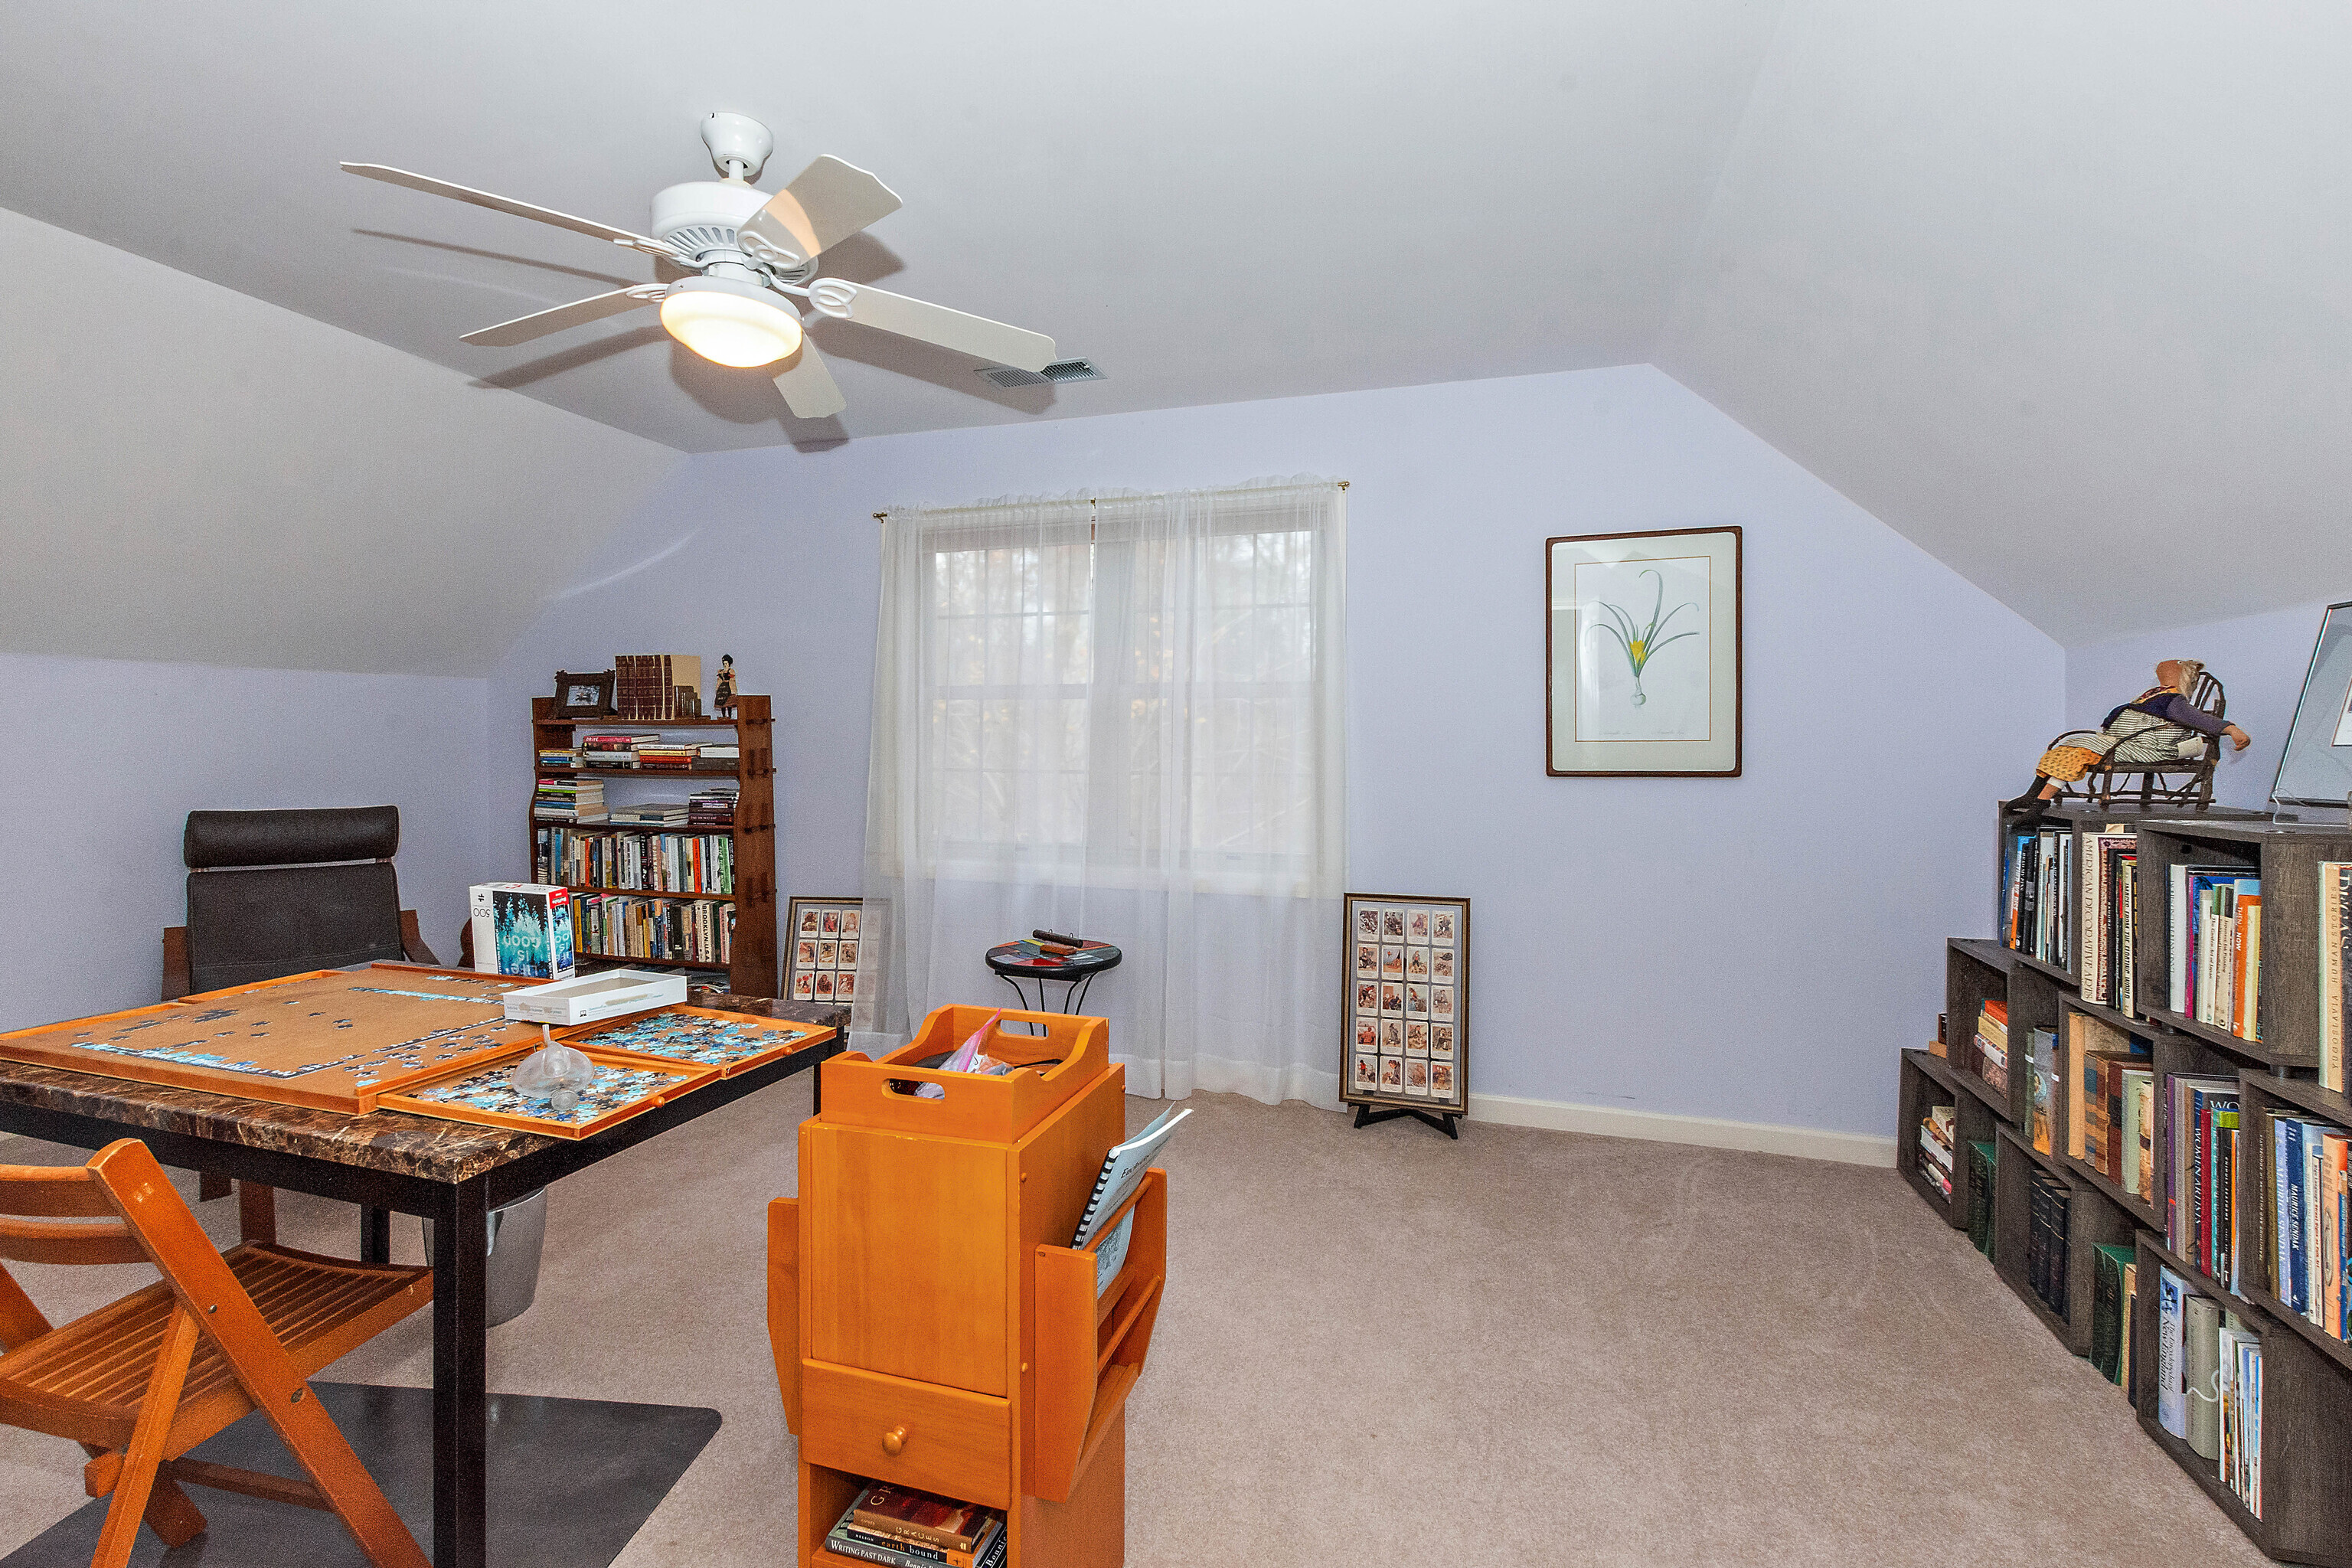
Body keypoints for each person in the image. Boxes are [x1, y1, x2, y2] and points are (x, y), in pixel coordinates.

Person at [2005, 659, 2249, 819]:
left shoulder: (2175, 702)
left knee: (2078, 752)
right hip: (2126, 741)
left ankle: (2041, 804)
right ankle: (2033, 793)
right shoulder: (2155, 697)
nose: (2162, 682)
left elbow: (2201, 720)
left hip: (2148, 747)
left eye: (2166, 677)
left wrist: (2230, 729)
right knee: (2068, 744)